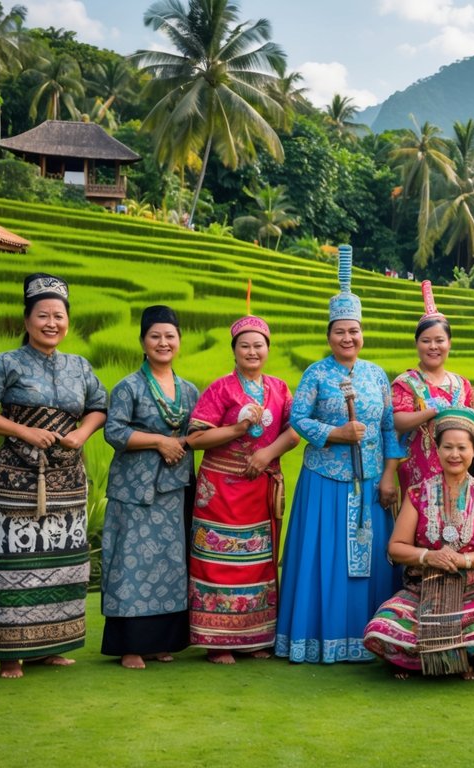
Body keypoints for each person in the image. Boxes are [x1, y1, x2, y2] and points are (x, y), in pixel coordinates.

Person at [0, 274, 107, 679]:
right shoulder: (6, 363)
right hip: (13, 480)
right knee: (12, 564)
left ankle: (52, 646)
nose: (51, 323)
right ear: (26, 320)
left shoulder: (79, 366)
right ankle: (10, 652)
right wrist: (22, 430)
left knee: (63, 563)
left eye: (58, 316)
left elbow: (99, 406)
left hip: (66, 481)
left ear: (67, 321)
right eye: (42, 315)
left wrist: (81, 432)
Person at [277, 248, 404, 663]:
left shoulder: (376, 375)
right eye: (339, 332)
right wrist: (335, 432)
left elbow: (388, 427)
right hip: (323, 482)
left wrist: (389, 476)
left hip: (370, 483)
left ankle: (373, 639)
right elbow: (297, 418)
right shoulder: (316, 373)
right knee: (323, 563)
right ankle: (319, 641)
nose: (347, 338)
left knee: (372, 566)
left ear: (362, 332)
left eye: (353, 331)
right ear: (329, 335)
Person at [363, 407, 474, 679]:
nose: (454, 454)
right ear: (437, 450)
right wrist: (427, 557)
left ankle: (425, 660)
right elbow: (396, 546)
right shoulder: (417, 493)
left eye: (462, 447)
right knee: (382, 627)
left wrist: (465, 560)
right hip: (423, 590)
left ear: (473, 451)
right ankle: (427, 660)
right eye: (447, 447)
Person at [185, 313, 300, 663]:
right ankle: (218, 642)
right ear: (234, 351)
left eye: (258, 345)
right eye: (245, 345)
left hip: (261, 486)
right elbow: (195, 437)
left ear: (268, 349)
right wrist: (237, 430)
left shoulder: (279, 388)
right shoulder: (220, 388)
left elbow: (294, 432)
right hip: (221, 489)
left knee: (259, 561)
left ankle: (255, 638)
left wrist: (267, 453)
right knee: (219, 560)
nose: (252, 351)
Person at [102, 305, 200, 669]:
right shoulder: (128, 386)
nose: (163, 342)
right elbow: (114, 431)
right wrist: (160, 441)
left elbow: (197, 432)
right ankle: (129, 646)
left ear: (179, 341)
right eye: (155, 336)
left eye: (170, 336)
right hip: (135, 488)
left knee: (169, 563)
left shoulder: (189, 390)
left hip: (174, 489)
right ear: (143, 342)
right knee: (132, 564)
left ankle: (161, 641)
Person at [393, 281, 474, 492]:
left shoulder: (461, 384)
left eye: (439, 340)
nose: (433, 346)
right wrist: (433, 411)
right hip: (418, 472)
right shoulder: (407, 383)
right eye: (426, 341)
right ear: (417, 344)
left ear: (449, 344)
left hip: (459, 469)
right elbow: (397, 420)